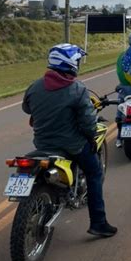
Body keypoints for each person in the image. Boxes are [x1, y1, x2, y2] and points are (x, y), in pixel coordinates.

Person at [22, 43, 117, 238]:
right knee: (94, 172)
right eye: (77, 61)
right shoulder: (77, 89)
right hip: (71, 145)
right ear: (70, 64)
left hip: (42, 144)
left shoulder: (35, 86)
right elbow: (88, 123)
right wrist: (91, 137)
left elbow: (27, 108)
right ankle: (98, 222)